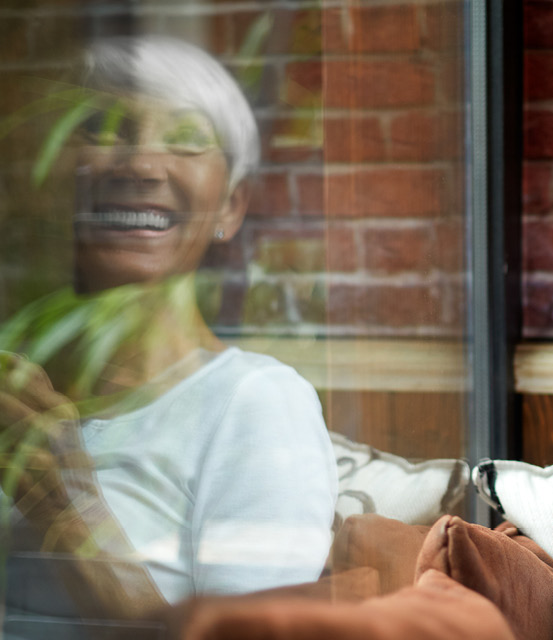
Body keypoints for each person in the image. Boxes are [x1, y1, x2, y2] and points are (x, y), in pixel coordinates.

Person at [0, 36, 336, 637]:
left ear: (231, 207)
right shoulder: (15, 385)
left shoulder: (256, 405)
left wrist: (65, 507)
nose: (140, 165)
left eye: (184, 139)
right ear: (45, 186)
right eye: (102, 129)